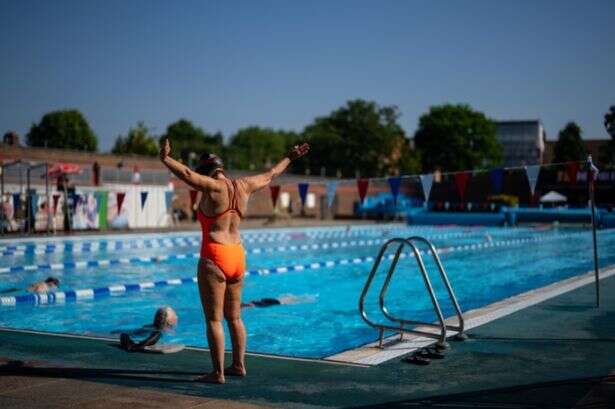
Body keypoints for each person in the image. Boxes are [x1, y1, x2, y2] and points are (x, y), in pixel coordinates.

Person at [159, 138, 309, 384]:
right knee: (236, 317)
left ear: (206, 171)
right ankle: (238, 365)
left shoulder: (211, 187)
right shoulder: (243, 186)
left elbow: (185, 173)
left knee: (214, 319)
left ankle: (217, 373)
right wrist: (290, 157)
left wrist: (165, 158)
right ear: (221, 168)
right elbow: (271, 174)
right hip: (238, 255)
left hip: (215, 254)